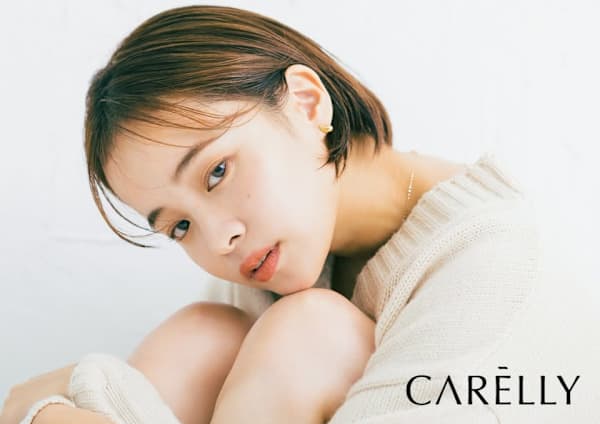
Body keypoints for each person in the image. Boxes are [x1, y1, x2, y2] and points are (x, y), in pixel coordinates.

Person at [3, 4, 598, 424]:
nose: (220, 238)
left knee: (312, 332)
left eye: (217, 172)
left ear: (308, 104)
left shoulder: (497, 264)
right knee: (204, 336)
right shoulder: (275, 258)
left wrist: (40, 406)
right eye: (179, 226)